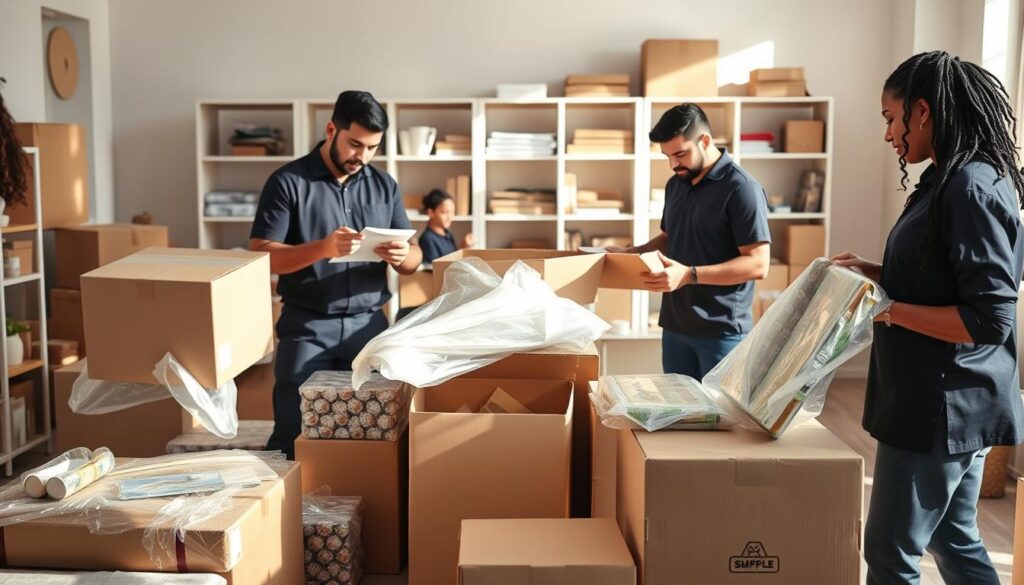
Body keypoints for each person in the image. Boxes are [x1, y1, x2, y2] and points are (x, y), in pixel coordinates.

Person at [833, 51, 1024, 585]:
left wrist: (887, 310)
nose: (889, 135)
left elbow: (989, 318)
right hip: (943, 401)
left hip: (942, 409)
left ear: (922, 111)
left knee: (889, 554)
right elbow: (936, 272)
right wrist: (870, 271)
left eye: (890, 119)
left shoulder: (970, 186)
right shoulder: (947, 177)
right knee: (953, 539)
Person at [250, 90, 422, 457]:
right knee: (292, 434)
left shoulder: (384, 185)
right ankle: (284, 512)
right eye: (355, 144)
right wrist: (324, 248)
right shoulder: (287, 182)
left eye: (372, 148)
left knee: (374, 432)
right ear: (332, 129)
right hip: (307, 326)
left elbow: (413, 262)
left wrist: (404, 254)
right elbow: (261, 257)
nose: (362, 156)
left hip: (369, 326)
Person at [615, 103, 770, 379]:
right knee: (680, 417)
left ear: (705, 141)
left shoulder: (742, 188)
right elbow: (668, 238)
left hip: (721, 332)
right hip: (674, 326)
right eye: (667, 156)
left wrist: (689, 275)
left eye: (680, 154)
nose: (674, 164)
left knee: (721, 418)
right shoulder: (676, 184)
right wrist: (629, 253)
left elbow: (758, 264)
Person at [418, 188, 474, 265]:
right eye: (445, 212)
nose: (450, 217)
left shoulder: (447, 233)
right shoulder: (427, 239)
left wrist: (464, 245)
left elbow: (452, 257)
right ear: (431, 213)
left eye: (452, 212)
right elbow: (437, 269)